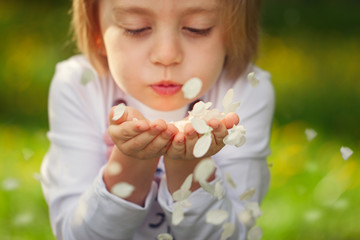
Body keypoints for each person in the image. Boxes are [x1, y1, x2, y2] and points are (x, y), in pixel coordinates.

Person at [40, 0, 274, 239]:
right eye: (136, 28)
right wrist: (130, 163)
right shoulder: (80, 86)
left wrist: (191, 167)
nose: (167, 55)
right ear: (97, 33)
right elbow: (75, 234)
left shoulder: (245, 89)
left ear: (233, 33)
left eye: (198, 28)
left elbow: (233, 234)